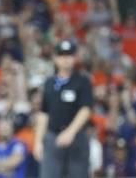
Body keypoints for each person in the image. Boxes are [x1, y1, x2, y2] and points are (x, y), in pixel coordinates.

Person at [33, 39, 93, 178]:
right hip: (53, 136)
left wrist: (70, 132)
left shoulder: (82, 81)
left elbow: (85, 109)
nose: (65, 59)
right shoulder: (49, 82)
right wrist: (38, 141)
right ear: (55, 58)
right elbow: (43, 113)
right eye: (62, 55)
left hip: (77, 138)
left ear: (74, 57)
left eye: (69, 55)